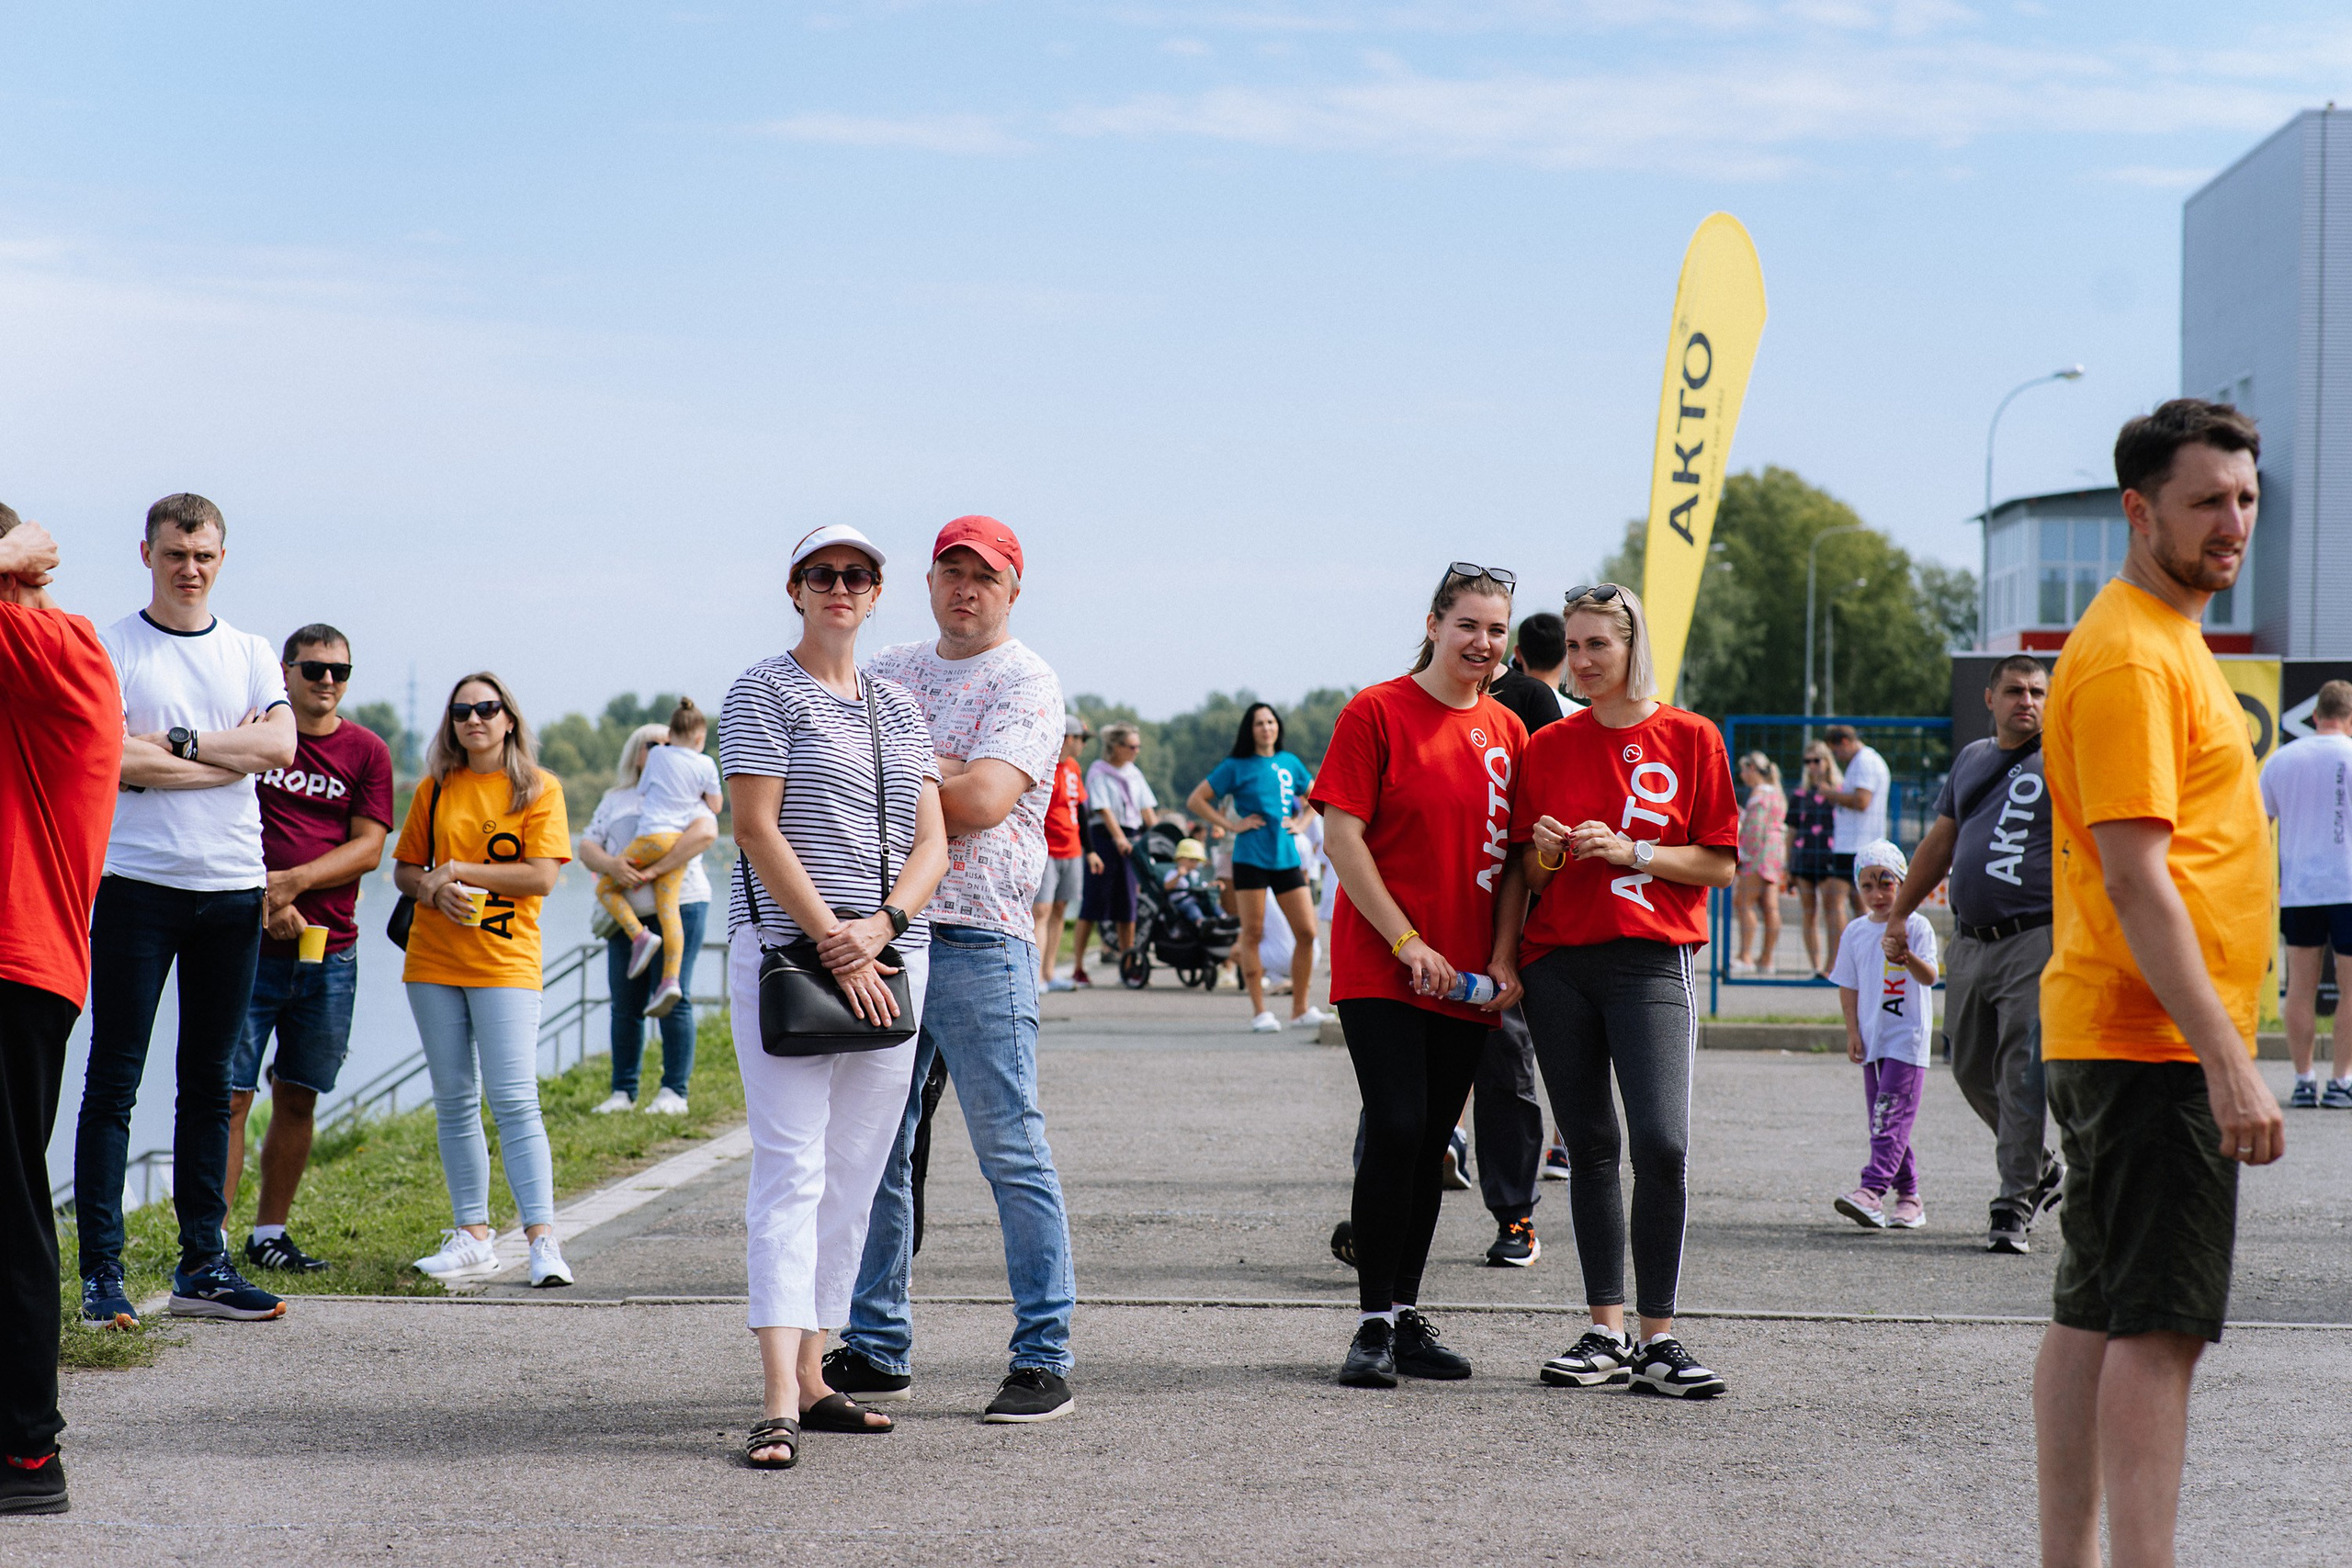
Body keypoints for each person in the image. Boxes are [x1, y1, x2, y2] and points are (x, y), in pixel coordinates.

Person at [2034, 400, 2282, 1568]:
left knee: (2096, 1311)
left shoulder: (2165, 634)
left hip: (2128, 1034)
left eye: (2243, 499)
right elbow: (2138, 880)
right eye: (2205, 502)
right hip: (2152, 1045)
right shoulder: (2133, 653)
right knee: (2158, 1330)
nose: (2231, 523)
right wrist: (2229, 1064)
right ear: (2139, 512)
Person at [832, 515, 1080, 1425]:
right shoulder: (887, 666)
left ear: (1014, 590)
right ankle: (876, 1345)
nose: (965, 588)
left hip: (980, 934)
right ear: (928, 582)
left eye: (985, 575)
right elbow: (829, 771)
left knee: (1010, 1147)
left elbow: (981, 800)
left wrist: (893, 762)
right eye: (950, 571)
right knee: (877, 1151)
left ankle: (1042, 1354)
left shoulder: (1027, 680)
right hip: (885, 936)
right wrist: (935, 765)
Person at [719, 525, 949, 1469]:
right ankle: (775, 1398)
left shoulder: (898, 707)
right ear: (795, 588)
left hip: (894, 955)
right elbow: (754, 827)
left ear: (878, 590)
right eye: (824, 575)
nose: (840, 588)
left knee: (856, 1176)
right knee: (791, 1169)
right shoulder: (760, 690)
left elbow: (936, 843)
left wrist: (883, 927)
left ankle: (817, 1380)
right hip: (791, 955)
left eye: (857, 576)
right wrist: (833, 939)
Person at [1508, 582, 1738, 1400]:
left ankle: (1661, 1336)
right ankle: (1606, 1329)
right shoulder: (1549, 745)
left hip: (1650, 962)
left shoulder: (1690, 736)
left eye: (1596, 644)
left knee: (1663, 1144)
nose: (1581, 660)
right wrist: (1547, 850)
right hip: (1558, 966)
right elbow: (1528, 874)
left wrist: (1633, 850)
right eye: (1572, 645)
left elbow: (1718, 861)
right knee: (1592, 1148)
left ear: (1633, 643)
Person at [75, 493, 299, 1328]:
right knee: (115, 1078)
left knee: (210, 1082)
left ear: (222, 557)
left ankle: (203, 1262)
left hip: (233, 888)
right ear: (147, 553)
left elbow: (280, 748)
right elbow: (104, 755)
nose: (189, 567)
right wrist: (221, 755)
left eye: (203, 554)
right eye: (175, 553)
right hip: (136, 885)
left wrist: (171, 746)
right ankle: (102, 1274)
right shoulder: (111, 645)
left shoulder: (248, 650)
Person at [1313, 562, 1526, 1389]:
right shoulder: (1376, 710)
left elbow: (1514, 865)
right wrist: (1404, 939)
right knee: (1397, 1125)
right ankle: (1370, 1321)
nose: (1483, 643)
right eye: (1468, 624)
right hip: (1384, 961)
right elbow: (1342, 837)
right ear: (1434, 622)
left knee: (1433, 1140)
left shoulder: (1510, 733)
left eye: (1497, 629)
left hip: (1467, 977)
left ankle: (1404, 1314)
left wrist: (1502, 956)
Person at [0, 512, 120, 1517]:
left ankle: (27, 1453)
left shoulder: (63, 648)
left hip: (16, 964)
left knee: (8, 1203)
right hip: (24, 967)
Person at [223, 624, 394, 1275]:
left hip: (331, 952)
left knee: (298, 1094)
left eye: (340, 670)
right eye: (315, 668)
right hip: (248, 942)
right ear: (286, 672)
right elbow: (224, 815)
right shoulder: (260, 734)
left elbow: (370, 846)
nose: (327, 680)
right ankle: (210, 1239)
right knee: (231, 1094)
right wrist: (269, 897)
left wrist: (295, 881)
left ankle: (270, 1232)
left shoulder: (367, 751)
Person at [394, 671, 574, 1289]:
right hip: (433, 962)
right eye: (462, 710)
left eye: (487, 708)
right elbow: (404, 873)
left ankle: (543, 1240)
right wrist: (433, 891)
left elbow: (542, 877)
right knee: (454, 1100)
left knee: (516, 1099)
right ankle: (473, 1235)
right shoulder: (435, 789)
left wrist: (457, 871)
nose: (474, 719)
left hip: (505, 963)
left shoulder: (538, 789)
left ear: (509, 718)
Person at [1884, 655, 2064, 1255]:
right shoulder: (1972, 760)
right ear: (1990, 698)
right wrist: (1899, 912)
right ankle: (2040, 1166)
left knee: (2020, 1075)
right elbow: (1940, 841)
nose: (2028, 700)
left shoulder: (2064, 759)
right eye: (2015, 690)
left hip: (2034, 939)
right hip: (1970, 941)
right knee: (1966, 1064)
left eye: (2038, 691)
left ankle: (2013, 1203)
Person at [579, 723, 720, 1115]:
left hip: (682, 906)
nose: (661, 749)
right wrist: (612, 865)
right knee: (625, 1004)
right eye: (651, 744)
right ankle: (622, 1091)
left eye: (667, 743)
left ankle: (674, 1092)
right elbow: (588, 844)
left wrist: (657, 870)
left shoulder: (685, 795)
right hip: (627, 916)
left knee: (675, 997)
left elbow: (707, 834)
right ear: (635, 752)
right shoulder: (615, 798)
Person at [1186, 703, 1323, 1033]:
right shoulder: (1235, 765)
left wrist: (1303, 822)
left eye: (1271, 721)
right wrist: (1231, 826)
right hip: (1249, 859)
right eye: (1260, 723)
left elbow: (1318, 794)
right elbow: (1196, 800)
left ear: (1278, 727)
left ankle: (1300, 1009)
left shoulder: (1289, 762)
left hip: (1286, 857)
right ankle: (1260, 1011)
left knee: (1307, 933)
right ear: (1251, 729)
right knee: (1253, 934)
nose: (1266, 728)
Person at [1829, 840, 1939, 1231]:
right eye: (1867, 886)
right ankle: (1910, 1197)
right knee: (1885, 1121)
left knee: (1889, 1118)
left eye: (1886, 883)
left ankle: (1871, 1191)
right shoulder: (1856, 932)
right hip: (1873, 1042)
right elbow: (1849, 985)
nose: (1877, 895)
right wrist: (1853, 1033)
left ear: (1903, 882)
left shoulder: (1917, 926)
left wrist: (1906, 956)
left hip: (1906, 1042)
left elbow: (1931, 978)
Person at [594, 696, 722, 1021]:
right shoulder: (705, 765)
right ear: (699, 738)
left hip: (654, 839)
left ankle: (640, 936)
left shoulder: (660, 758)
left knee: (606, 890)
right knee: (670, 914)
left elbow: (646, 793)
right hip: (676, 846)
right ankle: (670, 980)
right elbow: (716, 806)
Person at [2259, 679, 2352, 1108]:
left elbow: (2258, 826)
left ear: (2315, 716)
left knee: (2299, 988)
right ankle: (2340, 1082)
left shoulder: (2282, 759)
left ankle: (2302, 1080)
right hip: (2348, 888)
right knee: (2350, 991)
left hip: (2299, 889)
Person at [1074, 723, 1158, 969]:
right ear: (1117, 747)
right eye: (1132, 746)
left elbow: (1146, 809)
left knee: (1128, 903)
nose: (1136, 751)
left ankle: (1128, 962)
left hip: (1132, 837)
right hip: (1105, 838)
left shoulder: (1134, 773)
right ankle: (1078, 965)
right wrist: (1119, 838)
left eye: (1138, 746)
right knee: (1094, 902)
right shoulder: (1099, 772)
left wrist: (1160, 837)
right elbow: (1103, 809)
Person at [1035, 716, 1090, 991]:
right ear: (1069, 738)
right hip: (1047, 848)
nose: (1083, 745)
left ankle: (1050, 972)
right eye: (1081, 739)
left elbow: (1082, 810)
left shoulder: (1074, 768)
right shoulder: (1047, 764)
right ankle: (1036, 976)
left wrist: (1090, 850)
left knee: (1060, 909)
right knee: (1041, 910)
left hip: (1073, 848)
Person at [1820, 723, 1890, 931]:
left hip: (1855, 845)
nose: (1837, 757)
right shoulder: (1864, 761)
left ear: (1845, 742)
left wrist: (1829, 793)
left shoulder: (1864, 762)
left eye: (1836, 751)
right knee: (1862, 904)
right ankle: (1860, 956)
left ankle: (1837, 960)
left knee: (1834, 903)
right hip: (1857, 844)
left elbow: (1862, 801)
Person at [1785, 742, 1841, 978]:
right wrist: (1788, 866)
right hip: (1804, 856)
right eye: (1807, 761)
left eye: (1816, 760)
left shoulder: (1839, 792)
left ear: (1827, 761)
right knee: (1809, 912)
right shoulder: (1799, 795)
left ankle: (1833, 965)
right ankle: (1816, 965)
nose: (1812, 766)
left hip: (1830, 857)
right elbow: (1791, 832)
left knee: (1833, 910)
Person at [1731, 752, 1786, 975]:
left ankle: (1745, 956)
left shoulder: (1759, 793)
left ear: (1752, 768)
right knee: (1770, 907)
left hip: (1758, 854)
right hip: (1774, 854)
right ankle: (1767, 959)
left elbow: (1755, 828)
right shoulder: (1777, 793)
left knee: (1743, 902)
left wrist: (1743, 853)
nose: (1742, 775)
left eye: (1743, 770)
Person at [1163, 838, 1222, 927]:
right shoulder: (1174, 873)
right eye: (1191, 860)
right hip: (1182, 902)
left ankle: (1222, 917)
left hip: (1196, 899)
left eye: (1196, 861)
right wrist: (1178, 876)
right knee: (1191, 907)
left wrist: (1212, 885)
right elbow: (1167, 886)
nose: (1194, 864)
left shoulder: (1195, 874)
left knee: (1211, 903)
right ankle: (1201, 922)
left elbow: (1201, 886)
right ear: (1179, 859)